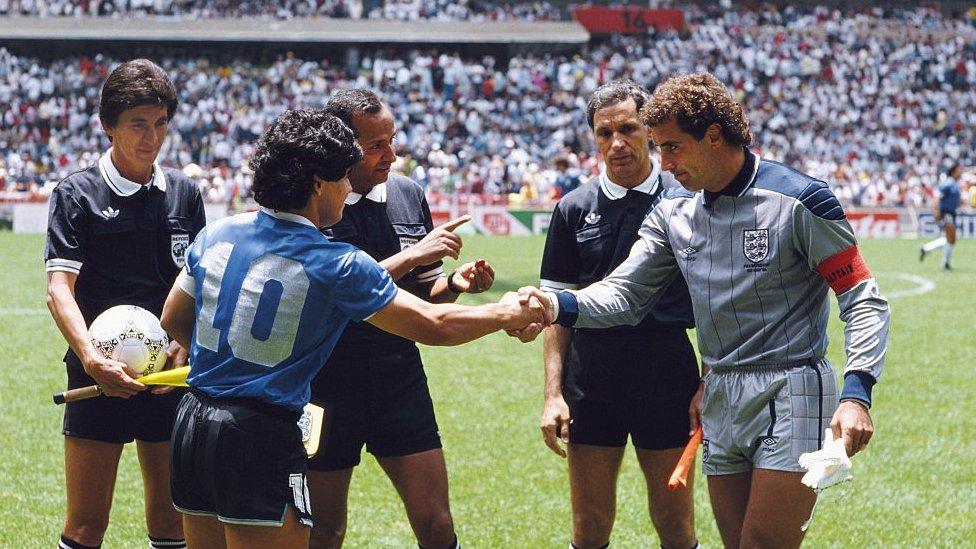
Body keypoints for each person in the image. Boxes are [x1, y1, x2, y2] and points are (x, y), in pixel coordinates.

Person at [515, 72, 890, 548]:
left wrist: (857, 392)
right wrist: (553, 303)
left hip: (791, 385)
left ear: (713, 137)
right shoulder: (674, 214)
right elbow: (624, 293)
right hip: (720, 395)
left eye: (672, 148)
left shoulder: (801, 200)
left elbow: (862, 298)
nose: (664, 164)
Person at [159, 108, 547, 548]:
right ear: (319, 184)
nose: (348, 187)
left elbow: (173, 319)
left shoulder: (218, 233)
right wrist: (508, 312)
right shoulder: (335, 261)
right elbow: (434, 325)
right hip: (260, 435)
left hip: (193, 423)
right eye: (343, 176)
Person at [306, 89, 494, 549]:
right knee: (325, 532)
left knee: (438, 526)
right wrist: (413, 255)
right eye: (376, 146)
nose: (392, 154)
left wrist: (456, 285)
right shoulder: (315, 202)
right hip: (326, 383)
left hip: (398, 376)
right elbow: (333, 292)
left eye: (392, 140)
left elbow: (423, 289)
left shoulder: (408, 194)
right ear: (342, 147)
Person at [44, 58, 206, 549]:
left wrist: (183, 346)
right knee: (86, 526)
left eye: (160, 124)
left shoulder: (185, 194)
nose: (151, 137)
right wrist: (93, 360)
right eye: (138, 124)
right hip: (97, 378)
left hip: (168, 382)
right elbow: (58, 290)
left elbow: (199, 282)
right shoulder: (77, 194)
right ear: (107, 125)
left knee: (172, 523)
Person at [538, 80, 699, 549]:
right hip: (592, 377)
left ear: (649, 129)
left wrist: (708, 380)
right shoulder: (572, 209)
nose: (617, 143)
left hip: (667, 372)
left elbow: (714, 301)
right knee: (589, 523)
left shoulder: (685, 200)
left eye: (628, 128)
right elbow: (557, 309)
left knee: (675, 522)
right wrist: (553, 394)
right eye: (604, 133)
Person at [920, 163, 963, 270]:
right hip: (946, 213)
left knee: (951, 239)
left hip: (951, 213)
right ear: (953, 171)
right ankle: (945, 264)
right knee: (951, 238)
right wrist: (936, 210)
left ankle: (927, 249)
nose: (961, 172)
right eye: (959, 170)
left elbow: (955, 200)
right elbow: (937, 195)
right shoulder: (948, 183)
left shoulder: (954, 184)